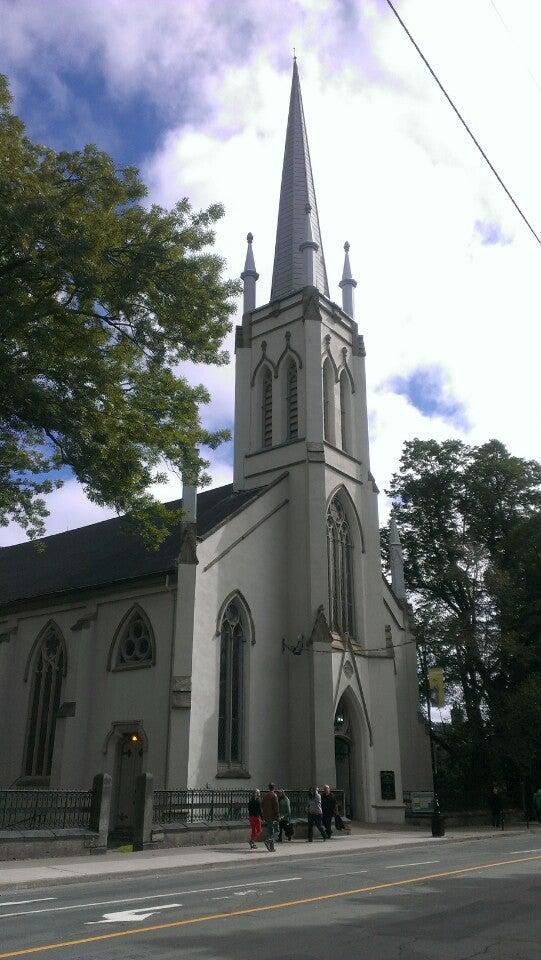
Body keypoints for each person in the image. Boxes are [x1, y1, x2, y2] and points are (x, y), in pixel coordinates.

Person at [261, 782, 279, 851]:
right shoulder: (274, 795)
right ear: (274, 787)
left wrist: (264, 816)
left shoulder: (265, 796)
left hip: (267, 817)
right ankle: (268, 841)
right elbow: (276, 808)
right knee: (277, 831)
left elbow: (262, 806)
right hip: (273, 817)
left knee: (270, 831)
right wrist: (277, 817)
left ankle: (272, 847)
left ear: (269, 787)